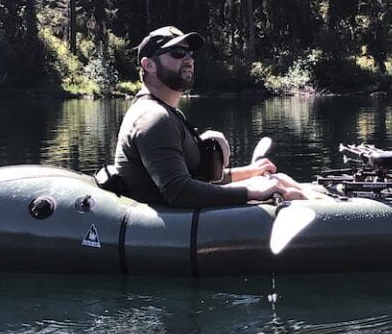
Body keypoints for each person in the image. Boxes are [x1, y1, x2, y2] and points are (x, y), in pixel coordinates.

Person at [112, 26, 308, 207]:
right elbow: (179, 192)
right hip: (173, 223)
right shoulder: (153, 118)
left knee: (280, 179)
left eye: (190, 53)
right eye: (178, 53)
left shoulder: (168, 113)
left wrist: (251, 170)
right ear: (148, 65)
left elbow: (198, 180)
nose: (188, 59)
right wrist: (253, 192)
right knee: (291, 195)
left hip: (184, 213)